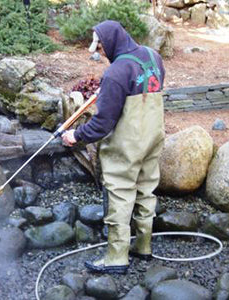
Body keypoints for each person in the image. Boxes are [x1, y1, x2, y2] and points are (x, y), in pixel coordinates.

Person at [62, 20, 165, 274]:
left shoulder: (116, 72)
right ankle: (143, 246)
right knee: (146, 189)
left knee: (120, 193)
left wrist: (76, 135)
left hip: (127, 145)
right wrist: (109, 91)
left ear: (110, 42)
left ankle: (116, 257)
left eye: (101, 46)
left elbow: (102, 125)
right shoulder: (154, 57)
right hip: (153, 138)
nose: (100, 52)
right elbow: (141, 87)